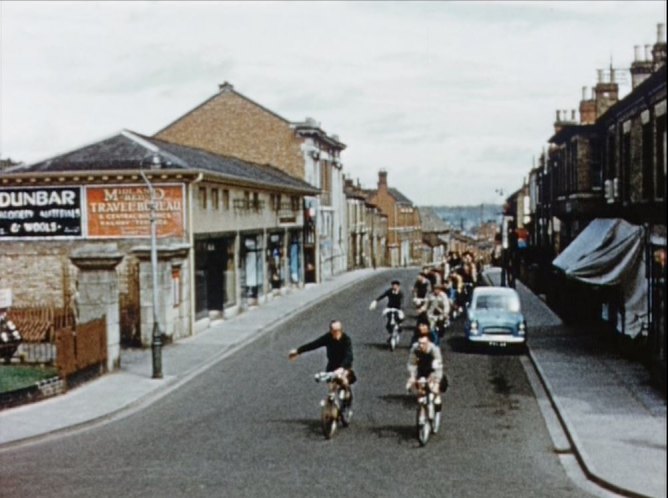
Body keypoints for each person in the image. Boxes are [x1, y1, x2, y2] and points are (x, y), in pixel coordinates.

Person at [289, 320, 356, 401]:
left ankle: (347, 398)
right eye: (335, 331)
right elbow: (314, 344)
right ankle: (333, 409)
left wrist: (342, 368)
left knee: (344, 382)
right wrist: (298, 351)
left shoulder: (346, 339)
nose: (337, 333)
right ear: (331, 331)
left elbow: (349, 355)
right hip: (332, 366)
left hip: (344, 367)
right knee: (331, 390)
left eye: (339, 330)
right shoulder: (328, 338)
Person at [406, 330, 446, 411]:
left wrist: (436, 380)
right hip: (421, 371)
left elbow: (438, 367)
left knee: (435, 390)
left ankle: (437, 405)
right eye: (420, 343)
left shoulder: (434, 350)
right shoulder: (415, 349)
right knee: (420, 392)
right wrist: (412, 377)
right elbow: (411, 363)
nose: (421, 345)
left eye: (424, 343)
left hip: (433, 372)